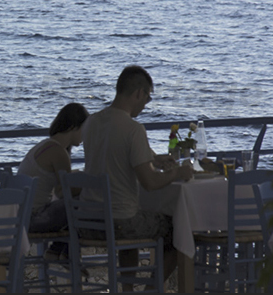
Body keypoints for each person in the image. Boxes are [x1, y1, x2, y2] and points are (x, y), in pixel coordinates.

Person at [80, 65, 193, 289]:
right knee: (178, 230)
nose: (145, 104)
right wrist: (177, 172)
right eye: (147, 98)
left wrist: (154, 159)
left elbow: (113, 154)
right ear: (139, 93)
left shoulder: (91, 122)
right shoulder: (134, 129)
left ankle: (128, 289)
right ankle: (151, 290)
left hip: (87, 220)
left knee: (136, 214)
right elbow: (150, 183)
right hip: (118, 222)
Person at [18, 102, 89, 260]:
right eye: (84, 130)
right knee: (82, 202)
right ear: (73, 127)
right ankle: (65, 253)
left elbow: (59, 190)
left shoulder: (45, 145)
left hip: (22, 216)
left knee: (76, 203)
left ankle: (58, 250)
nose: (85, 135)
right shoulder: (58, 151)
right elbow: (66, 192)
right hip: (34, 218)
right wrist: (89, 185)